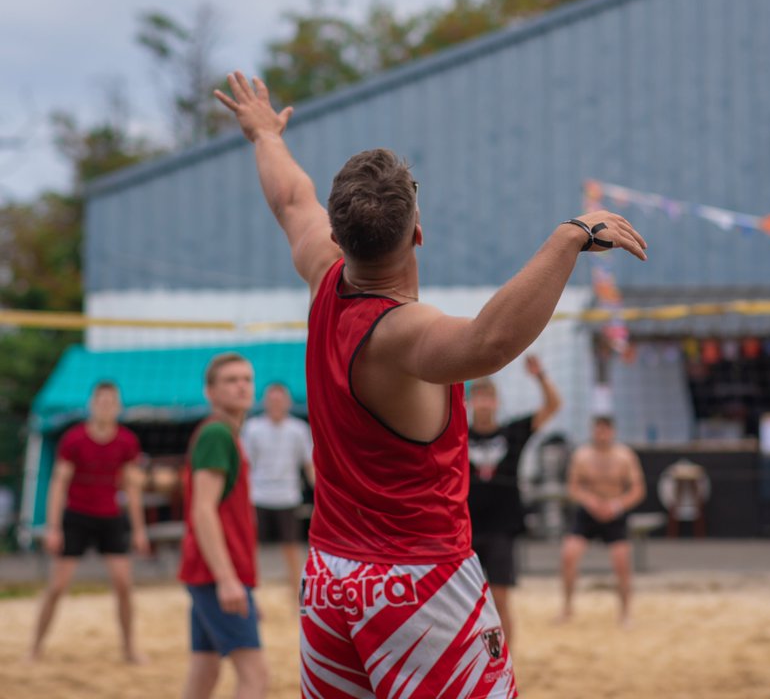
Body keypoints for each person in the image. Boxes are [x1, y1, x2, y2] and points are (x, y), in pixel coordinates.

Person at [215, 72, 647, 698]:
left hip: (331, 579)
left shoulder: (322, 274)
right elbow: (489, 343)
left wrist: (262, 135)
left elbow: (289, 199)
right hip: (418, 585)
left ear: (337, 235)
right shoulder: (401, 332)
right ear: (418, 232)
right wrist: (569, 237)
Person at [28, 380, 149, 662]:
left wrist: (140, 530)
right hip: (77, 516)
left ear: (118, 408)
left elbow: (132, 488)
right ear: (92, 405)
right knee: (57, 587)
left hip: (110, 516)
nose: (105, 406)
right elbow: (58, 484)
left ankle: (129, 649)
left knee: (123, 585)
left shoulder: (127, 441)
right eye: (100, 401)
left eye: (110, 402)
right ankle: (35, 647)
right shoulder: (73, 439)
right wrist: (53, 527)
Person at [178, 352, 268, 699]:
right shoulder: (217, 433)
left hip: (210, 573)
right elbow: (203, 510)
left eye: (246, 379)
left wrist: (241, 582)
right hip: (215, 574)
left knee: (205, 672)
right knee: (255, 676)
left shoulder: (226, 434)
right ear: (210, 392)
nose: (242, 386)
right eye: (231, 380)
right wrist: (229, 580)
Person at [468, 354, 562, 652]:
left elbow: (553, 407)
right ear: (470, 403)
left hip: (501, 528)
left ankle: (505, 660)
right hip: (464, 529)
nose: (483, 403)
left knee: (501, 599)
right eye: (478, 397)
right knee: (464, 604)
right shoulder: (455, 433)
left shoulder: (513, 432)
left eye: (488, 397)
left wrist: (540, 375)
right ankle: (470, 658)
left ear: (496, 402)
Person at [558, 415, 647, 624]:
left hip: (614, 512)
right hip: (588, 513)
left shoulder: (624, 456)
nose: (602, 434)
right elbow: (573, 487)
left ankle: (625, 613)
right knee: (568, 556)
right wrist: (590, 502)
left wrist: (617, 505)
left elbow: (638, 490)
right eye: (598, 430)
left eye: (606, 430)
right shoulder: (582, 455)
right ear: (593, 431)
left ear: (613, 432)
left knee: (622, 562)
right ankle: (567, 608)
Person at [241, 382, 315, 598]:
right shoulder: (253, 428)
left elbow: (309, 464)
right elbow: (246, 465)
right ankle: (252, 593)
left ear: (288, 402)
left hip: (287, 497)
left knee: (291, 547)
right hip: (258, 496)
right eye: (272, 400)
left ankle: (298, 594)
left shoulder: (298, 429)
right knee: (252, 548)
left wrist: (321, 495)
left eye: (279, 399)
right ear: (265, 402)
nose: (276, 404)